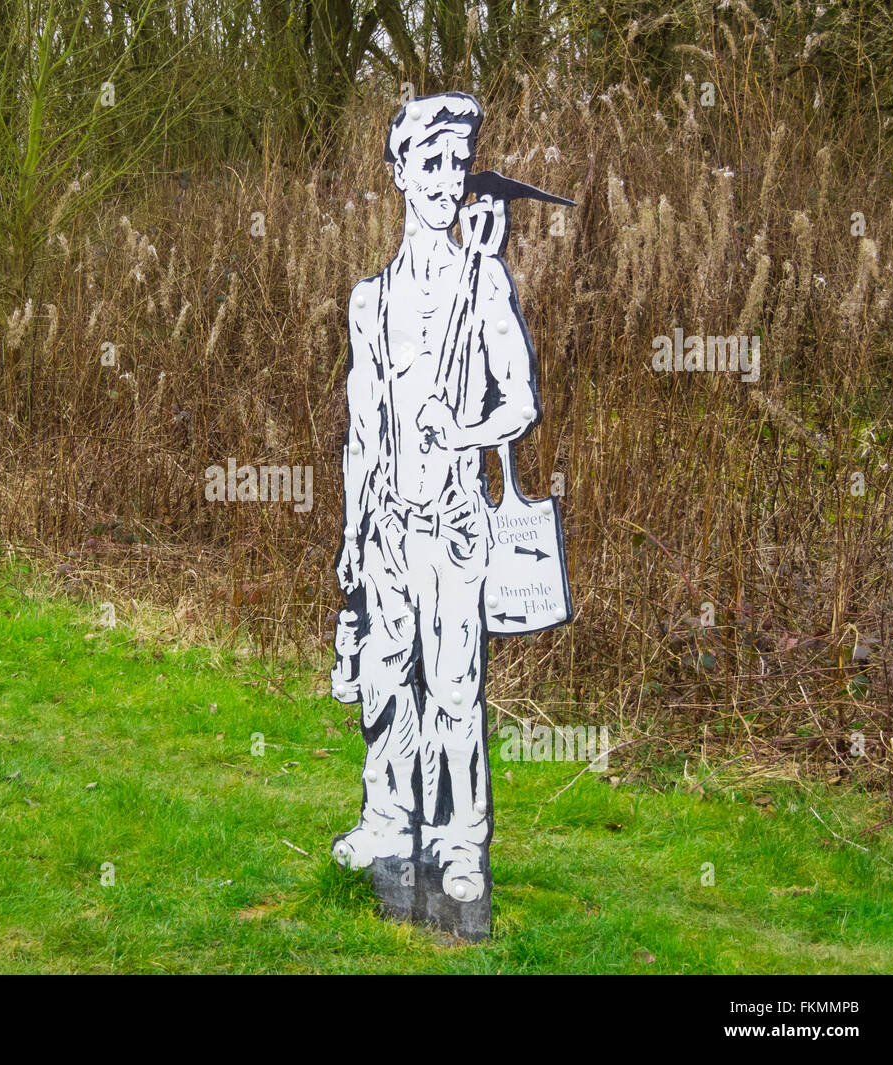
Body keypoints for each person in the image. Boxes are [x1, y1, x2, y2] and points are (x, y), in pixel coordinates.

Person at [331, 92, 539, 902]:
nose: (448, 179)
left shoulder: (483, 283)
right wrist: (352, 530)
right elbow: (362, 426)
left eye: (459, 163)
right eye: (432, 163)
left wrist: (463, 431)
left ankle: (461, 842)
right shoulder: (370, 300)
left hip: (454, 526)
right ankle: (388, 817)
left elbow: (519, 401)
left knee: (455, 689)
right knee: (386, 683)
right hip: (387, 525)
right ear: (400, 172)